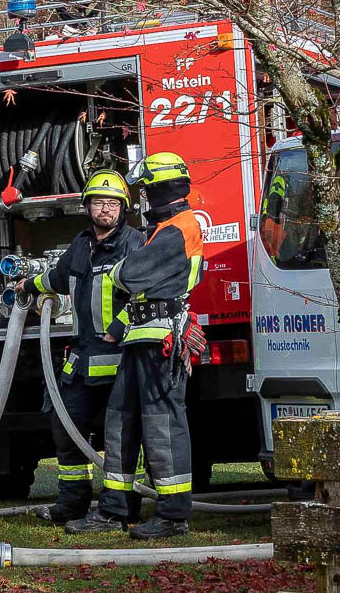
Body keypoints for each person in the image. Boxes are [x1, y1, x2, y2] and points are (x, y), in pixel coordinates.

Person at [67, 152, 204, 540]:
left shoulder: (179, 228)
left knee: (162, 426)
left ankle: (173, 515)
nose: (142, 196)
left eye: (145, 189)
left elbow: (128, 274)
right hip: (140, 338)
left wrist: (121, 271)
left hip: (161, 340)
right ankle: (114, 509)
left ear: (160, 188)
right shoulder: (163, 229)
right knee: (119, 420)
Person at [16, 171, 144, 525]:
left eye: (113, 203)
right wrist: (29, 284)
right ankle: (72, 502)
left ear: (123, 208)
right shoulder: (81, 245)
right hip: (83, 360)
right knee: (66, 426)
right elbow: (58, 278)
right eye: (99, 202)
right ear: (87, 207)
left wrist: (119, 329)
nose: (106, 209)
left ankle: (121, 506)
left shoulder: (134, 244)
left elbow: (145, 294)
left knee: (120, 435)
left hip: (120, 359)